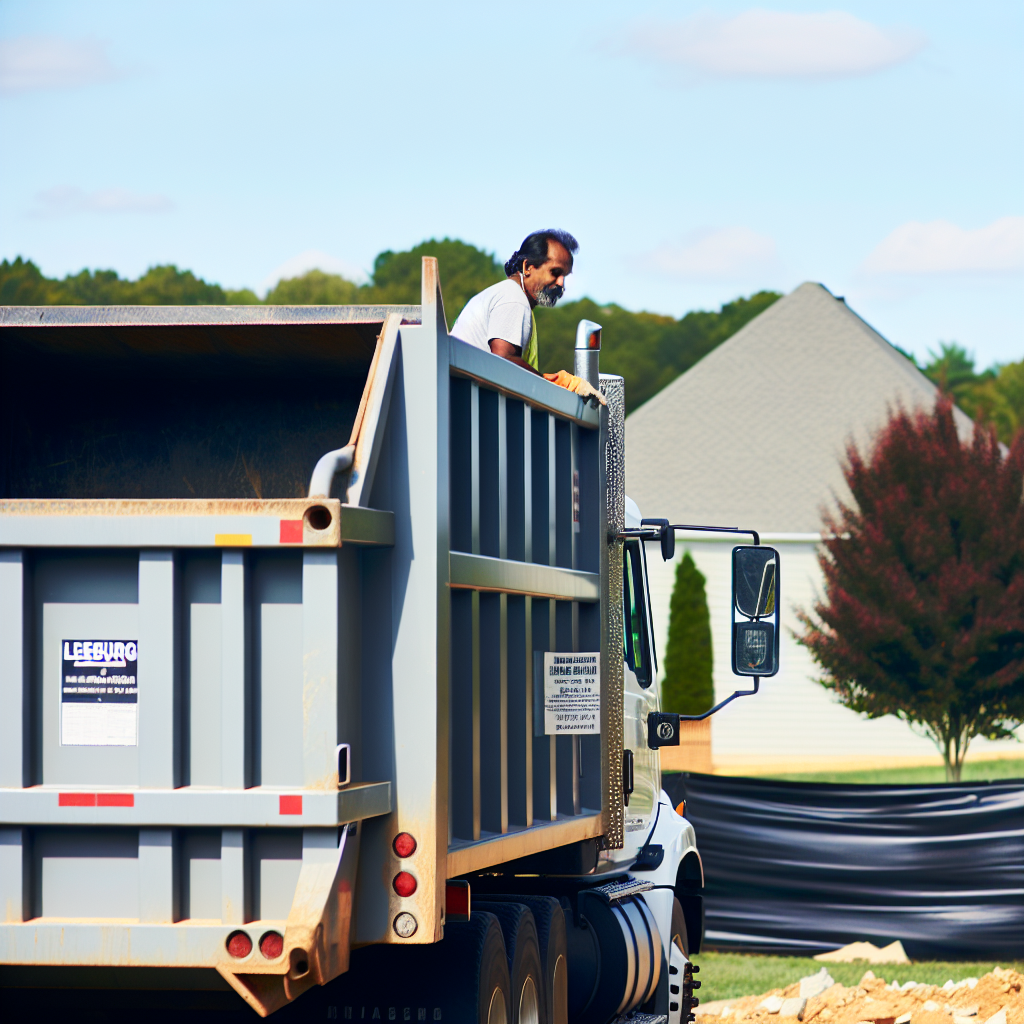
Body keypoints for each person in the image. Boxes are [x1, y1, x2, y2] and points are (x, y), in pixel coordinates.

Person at [451, 229, 606, 406]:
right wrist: (556, 385)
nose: (561, 283)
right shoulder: (513, 298)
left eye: (565, 276)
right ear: (527, 267)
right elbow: (504, 361)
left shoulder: (510, 295)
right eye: (555, 272)